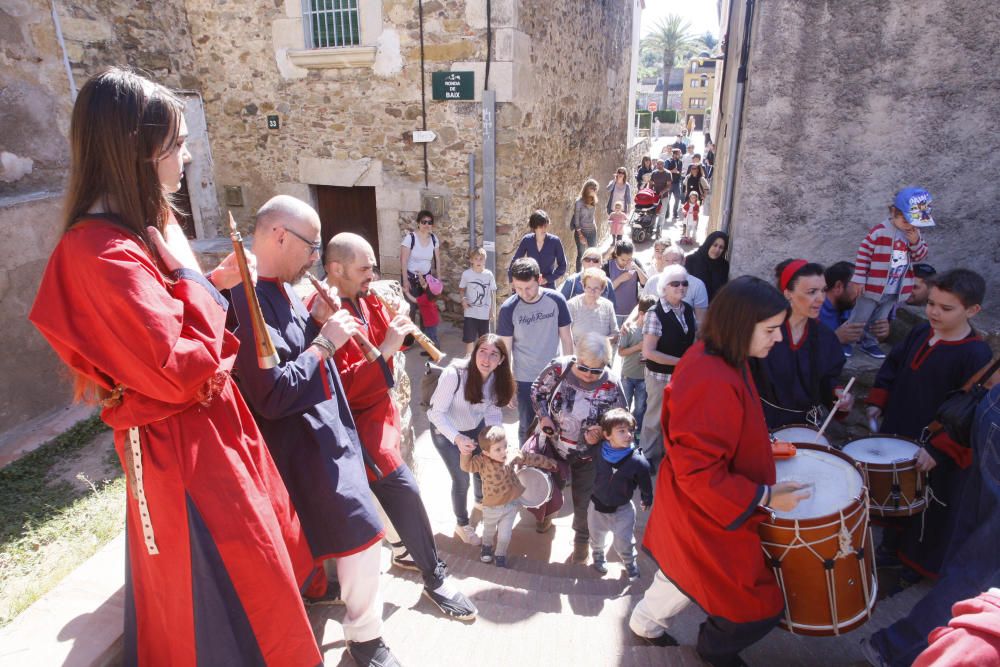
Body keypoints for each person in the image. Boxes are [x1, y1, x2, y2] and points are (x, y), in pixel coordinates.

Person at [28, 67, 322, 665]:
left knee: (257, 580)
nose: (186, 158)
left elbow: (172, 332)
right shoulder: (100, 254)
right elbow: (182, 367)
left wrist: (203, 282)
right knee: (218, 606)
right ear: (139, 149)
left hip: (202, 437)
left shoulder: (131, 238)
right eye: (177, 144)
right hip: (179, 451)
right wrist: (192, 275)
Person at [228, 196, 397, 666]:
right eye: (310, 244)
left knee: (344, 533)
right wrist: (326, 342)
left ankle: (327, 598)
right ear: (279, 235)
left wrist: (318, 324)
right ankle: (365, 640)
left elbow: (295, 350)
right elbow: (271, 394)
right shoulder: (242, 298)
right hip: (296, 448)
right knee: (363, 530)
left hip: (325, 433)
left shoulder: (280, 286)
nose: (314, 257)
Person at [629, 276, 811, 665]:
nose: (777, 338)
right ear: (741, 326)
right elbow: (700, 474)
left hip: (698, 509)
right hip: (705, 515)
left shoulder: (721, 357)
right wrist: (765, 494)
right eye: (770, 330)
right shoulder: (709, 377)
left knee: (679, 574)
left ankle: (643, 625)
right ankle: (713, 650)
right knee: (753, 607)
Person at [325, 233, 478, 621]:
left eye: (374, 267)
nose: (372, 276)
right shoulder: (323, 311)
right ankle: (434, 576)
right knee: (405, 491)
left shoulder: (367, 296)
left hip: (384, 413)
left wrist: (403, 330)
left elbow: (390, 339)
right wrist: (390, 347)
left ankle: (403, 549)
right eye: (365, 269)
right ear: (335, 269)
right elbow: (339, 386)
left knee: (387, 495)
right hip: (361, 425)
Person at [861, 365, 1000, 667]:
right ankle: (897, 649)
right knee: (981, 570)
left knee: (972, 552)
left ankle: (897, 647)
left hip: (995, 410)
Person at [866, 269, 992, 581]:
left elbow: (973, 409)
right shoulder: (920, 332)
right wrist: (877, 400)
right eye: (932, 304)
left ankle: (915, 566)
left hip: (936, 448)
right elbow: (893, 365)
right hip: (901, 428)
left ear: (972, 310)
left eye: (946, 308)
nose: (934, 312)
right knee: (897, 497)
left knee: (929, 509)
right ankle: (890, 550)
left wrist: (941, 448)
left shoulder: (976, 353)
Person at [527, 333, 627, 563]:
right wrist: (544, 417)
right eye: (584, 368)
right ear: (576, 358)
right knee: (549, 487)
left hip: (589, 455)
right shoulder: (559, 368)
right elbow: (537, 391)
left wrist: (603, 433)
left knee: (585, 500)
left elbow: (621, 418)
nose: (590, 375)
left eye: (596, 370)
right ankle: (545, 516)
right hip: (553, 447)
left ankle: (581, 541)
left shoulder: (611, 383)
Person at [428, 334, 514, 546]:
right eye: (482, 351)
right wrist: (457, 438)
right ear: (474, 352)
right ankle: (462, 523)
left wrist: (496, 439)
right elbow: (435, 413)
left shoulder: (496, 379)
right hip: (446, 432)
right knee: (461, 479)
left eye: (493, 354)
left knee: (481, 469)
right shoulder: (454, 374)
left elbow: (493, 413)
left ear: (502, 359)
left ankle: (480, 504)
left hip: (474, 429)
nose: (486, 359)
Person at [750, 259, 851, 430]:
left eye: (823, 290)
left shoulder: (826, 338)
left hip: (806, 427)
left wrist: (838, 394)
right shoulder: (763, 331)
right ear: (788, 293)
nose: (821, 299)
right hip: (762, 424)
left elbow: (828, 380)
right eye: (812, 292)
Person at [847, 187, 933, 359]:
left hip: (895, 288)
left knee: (880, 319)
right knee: (860, 316)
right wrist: (858, 279)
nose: (910, 225)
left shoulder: (914, 234)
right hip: (873, 286)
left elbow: (920, 256)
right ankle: (846, 342)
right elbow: (864, 254)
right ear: (894, 212)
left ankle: (869, 343)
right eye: (906, 219)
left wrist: (915, 242)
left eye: (914, 221)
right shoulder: (880, 232)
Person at [498, 257, 574, 445]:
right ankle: (526, 464)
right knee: (526, 425)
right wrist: (506, 385)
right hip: (524, 379)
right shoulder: (508, 309)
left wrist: (569, 374)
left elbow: (567, 339)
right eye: (518, 288)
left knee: (557, 423)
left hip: (554, 377)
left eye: (528, 287)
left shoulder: (557, 300)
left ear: (539, 279)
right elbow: (504, 350)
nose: (523, 293)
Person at [460, 425, 558, 568]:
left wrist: (549, 463)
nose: (503, 451)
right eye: (498, 449)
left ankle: (500, 554)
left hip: (511, 505)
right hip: (491, 507)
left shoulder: (510, 454)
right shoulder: (481, 461)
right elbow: (467, 467)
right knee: (489, 531)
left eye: (505, 446)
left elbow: (529, 458)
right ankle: (486, 547)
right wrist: (465, 452)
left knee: (505, 536)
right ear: (486, 453)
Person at [638, 265, 698, 469]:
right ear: (664, 287)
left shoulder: (687, 309)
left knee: (676, 418)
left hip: (682, 377)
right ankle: (646, 460)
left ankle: (668, 457)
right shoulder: (655, 313)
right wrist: (682, 362)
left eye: (684, 283)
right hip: (659, 377)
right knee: (655, 418)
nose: (681, 287)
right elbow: (649, 352)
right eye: (675, 283)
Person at [588, 408, 652, 579]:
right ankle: (598, 556)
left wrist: (647, 498)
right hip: (597, 507)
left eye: (630, 430)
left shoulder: (638, 460)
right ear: (607, 435)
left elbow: (645, 483)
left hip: (622, 509)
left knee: (624, 542)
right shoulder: (598, 450)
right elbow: (582, 454)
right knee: (596, 537)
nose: (628, 435)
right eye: (621, 431)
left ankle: (630, 563)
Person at [643, 244, 709, 326]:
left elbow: (700, 320)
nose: (670, 264)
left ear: (684, 261)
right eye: (667, 260)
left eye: (675, 260)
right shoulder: (653, 281)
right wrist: (629, 321)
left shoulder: (698, 285)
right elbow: (641, 306)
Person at [618, 295, 655, 438]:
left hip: (644, 377)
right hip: (627, 375)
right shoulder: (630, 330)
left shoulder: (653, 331)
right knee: (624, 405)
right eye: (650, 315)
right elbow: (621, 352)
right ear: (641, 314)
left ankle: (637, 432)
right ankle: (622, 430)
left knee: (640, 407)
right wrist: (638, 347)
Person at [399, 209, 441, 321]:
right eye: (424, 221)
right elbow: (403, 260)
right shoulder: (410, 238)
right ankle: (410, 337)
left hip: (426, 280)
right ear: (418, 223)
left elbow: (437, 259)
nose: (426, 224)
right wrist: (405, 281)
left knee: (425, 309)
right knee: (410, 309)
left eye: (429, 222)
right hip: (411, 277)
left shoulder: (434, 239)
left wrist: (439, 278)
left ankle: (425, 336)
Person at [508, 209, 567, 287]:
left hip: (548, 286)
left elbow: (563, 265)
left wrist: (548, 279)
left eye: (545, 226)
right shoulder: (527, 240)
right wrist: (512, 279)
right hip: (530, 284)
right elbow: (515, 261)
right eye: (540, 226)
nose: (544, 229)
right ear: (534, 227)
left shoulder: (555, 241)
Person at [566, 268, 618, 348]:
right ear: (583, 286)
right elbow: (565, 336)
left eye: (596, 288)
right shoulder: (572, 305)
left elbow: (615, 334)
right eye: (588, 287)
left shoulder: (608, 306)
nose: (592, 292)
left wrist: (601, 342)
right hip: (577, 357)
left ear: (603, 289)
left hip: (601, 357)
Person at [460, 247, 497, 355]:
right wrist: (463, 299)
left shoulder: (489, 275)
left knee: (484, 341)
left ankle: (482, 359)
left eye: (481, 259)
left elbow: (492, 293)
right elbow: (462, 289)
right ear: (471, 260)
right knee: (469, 339)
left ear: (485, 260)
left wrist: (492, 310)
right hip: (470, 313)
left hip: (484, 313)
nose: (479, 261)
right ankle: (468, 360)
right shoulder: (466, 274)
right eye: (476, 259)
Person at [604, 240, 648, 326]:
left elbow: (645, 283)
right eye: (623, 260)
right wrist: (620, 279)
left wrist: (636, 267)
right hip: (613, 313)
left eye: (629, 259)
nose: (626, 262)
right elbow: (605, 291)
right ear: (616, 255)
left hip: (632, 313)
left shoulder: (635, 263)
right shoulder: (607, 266)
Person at [685, 231, 730, 301]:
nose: (717, 250)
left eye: (721, 247)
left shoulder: (724, 265)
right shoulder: (691, 260)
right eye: (715, 245)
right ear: (708, 244)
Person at [570, 179, 600, 272]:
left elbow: (592, 216)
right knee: (581, 255)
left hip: (592, 231)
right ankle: (578, 275)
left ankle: (593, 274)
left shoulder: (594, 200)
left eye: (596, 188)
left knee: (593, 254)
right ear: (586, 188)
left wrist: (594, 226)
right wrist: (580, 235)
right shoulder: (579, 202)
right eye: (592, 188)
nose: (594, 190)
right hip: (581, 231)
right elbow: (576, 220)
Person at [415, 272, 442, 348]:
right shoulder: (432, 295)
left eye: (428, 283)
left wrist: (406, 292)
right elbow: (424, 285)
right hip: (432, 321)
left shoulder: (425, 298)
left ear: (429, 289)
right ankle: (430, 352)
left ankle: (437, 352)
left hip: (430, 322)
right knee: (429, 337)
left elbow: (414, 300)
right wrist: (420, 276)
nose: (426, 283)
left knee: (432, 337)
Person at [648, 159, 671, 235]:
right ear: (656, 165)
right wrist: (649, 192)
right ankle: (651, 227)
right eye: (658, 164)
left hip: (664, 196)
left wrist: (662, 192)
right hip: (655, 196)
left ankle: (659, 228)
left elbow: (668, 186)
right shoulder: (654, 173)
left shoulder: (668, 173)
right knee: (653, 212)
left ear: (663, 165)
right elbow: (651, 183)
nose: (659, 165)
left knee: (662, 213)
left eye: (661, 164)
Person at [664, 148, 685, 221]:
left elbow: (679, 171)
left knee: (677, 199)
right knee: (667, 199)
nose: (680, 155)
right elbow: (665, 171)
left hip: (677, 183)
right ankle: (667, 214)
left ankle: (675, 213)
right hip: (669, 184)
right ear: (675, 154)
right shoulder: (668, 161)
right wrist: (672, 171)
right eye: (679, 153)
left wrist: (680, 173)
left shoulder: (680, 162)